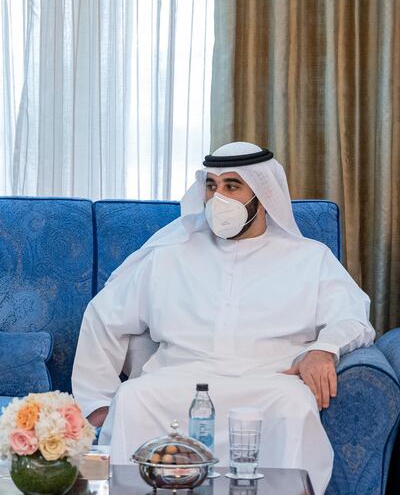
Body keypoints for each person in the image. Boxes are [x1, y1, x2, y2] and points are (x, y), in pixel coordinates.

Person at [72, 141, 374, 493]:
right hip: (179, 379)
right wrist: (96, 402)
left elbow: (353, 317)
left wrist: (325, 349)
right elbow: (104, 315)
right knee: (133, 399)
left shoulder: (310, 258)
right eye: (212, 186)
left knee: (294, 406)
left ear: (262, 193)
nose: (219, 198)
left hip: (269, 383)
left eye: (232, 186)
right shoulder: (170, 255)